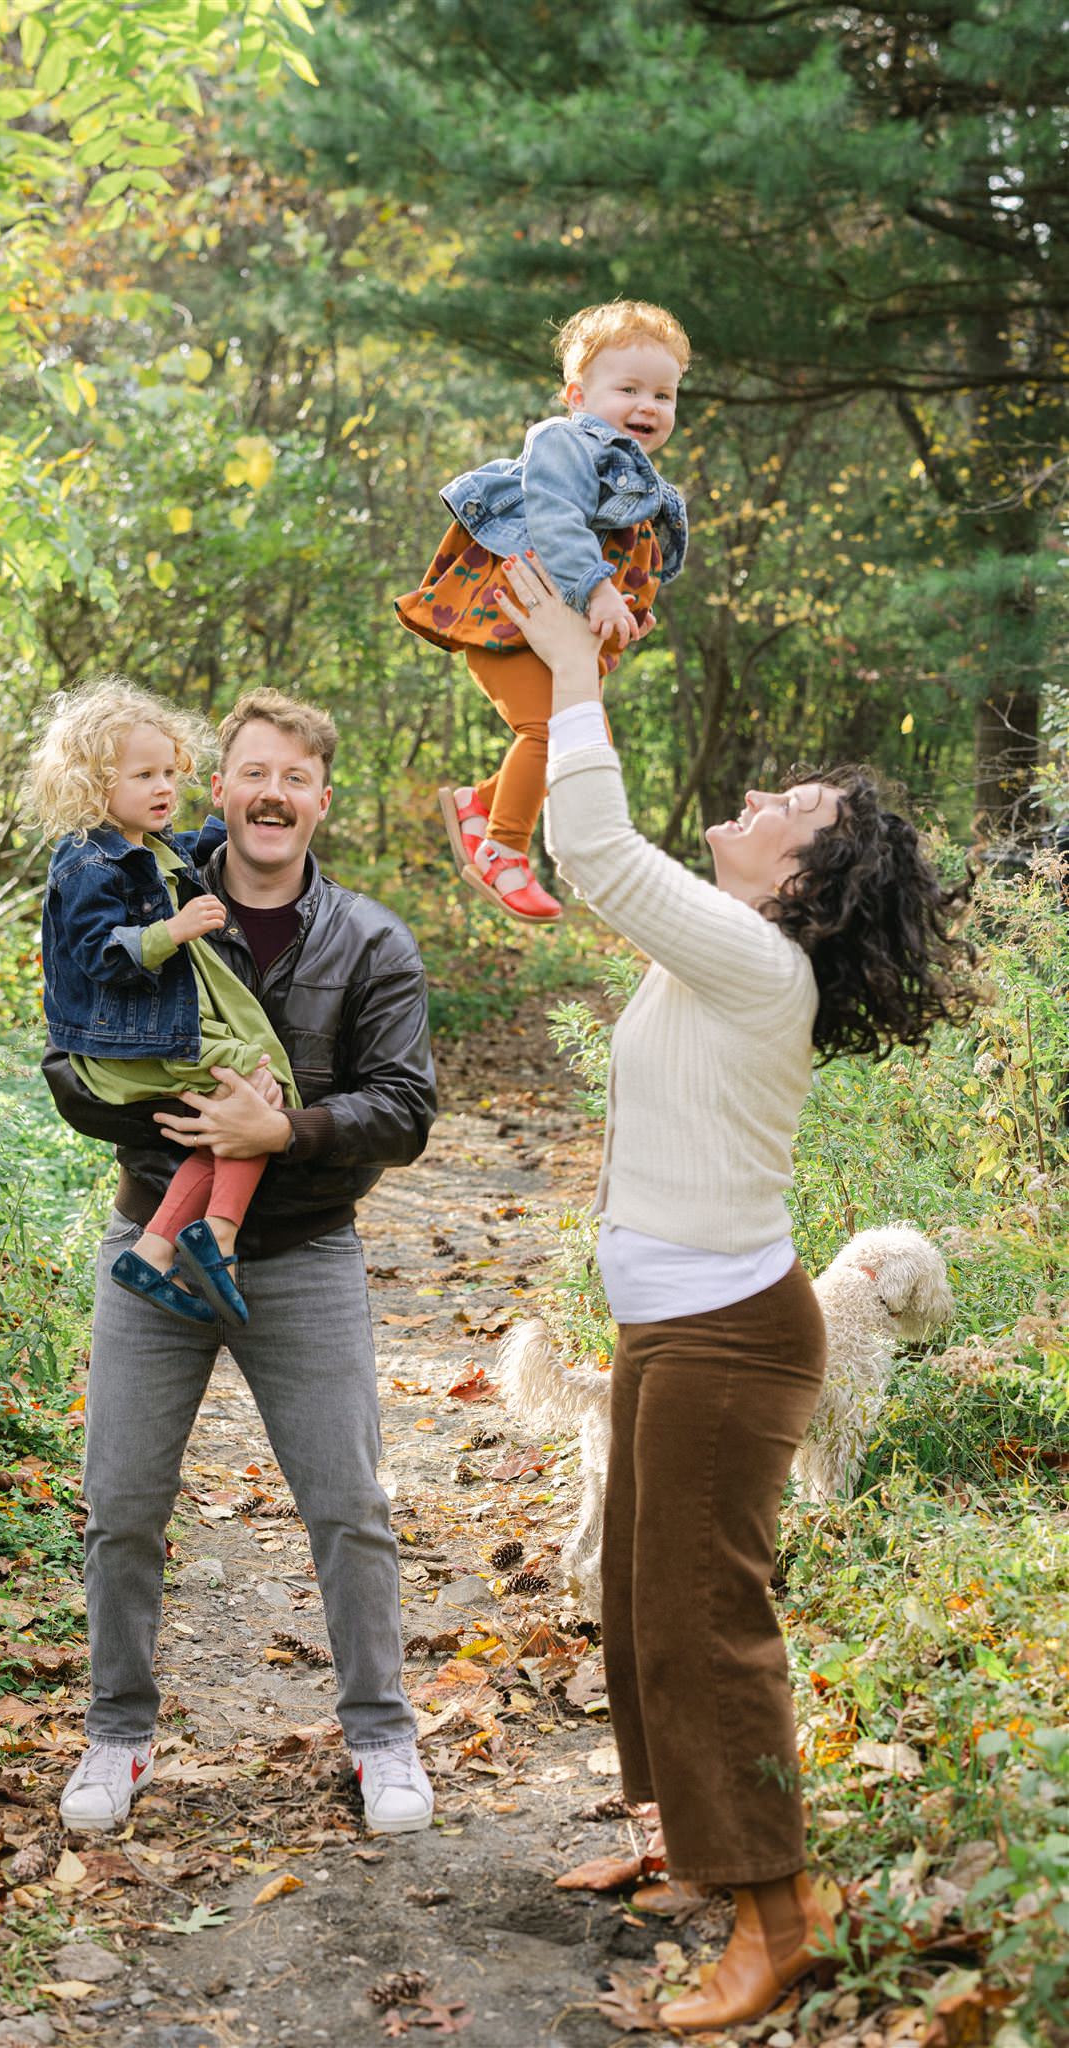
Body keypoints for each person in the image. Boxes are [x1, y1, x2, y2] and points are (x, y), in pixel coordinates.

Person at [499, 551, 975, 2029]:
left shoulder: (760, 968)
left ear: (802, 882)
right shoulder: (721, 957)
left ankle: (779, 1916)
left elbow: (593, 847)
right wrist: (574, 675)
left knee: (709, 1622)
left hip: (724, 1339)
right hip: (675, 1327)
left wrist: (575, 676)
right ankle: (684, 1852)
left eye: (791, 813)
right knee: (644, 1605)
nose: (762, 798)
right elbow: (577, 848)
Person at [40, 687, 439, 1839]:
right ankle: (117, 1730)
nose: (271, 794)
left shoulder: (370, 939)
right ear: (221, 785)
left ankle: (381, 1734)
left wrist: (284, 1132)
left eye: (294, 777)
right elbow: (68, 1054)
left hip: (304, 1254)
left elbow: (406, 1109)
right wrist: (174, 1111)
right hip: (149, 1240)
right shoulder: (129, 886)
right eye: (251, 772)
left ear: (320, 797)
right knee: (119, 1500)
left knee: (351, 1503)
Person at [395, 299, 690, 925]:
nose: (648, 406)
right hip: (509, 617)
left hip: (555, 630)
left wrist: (628, 612)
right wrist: (601, 590)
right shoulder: (565, 441)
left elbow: (625, 553)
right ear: (578, 395)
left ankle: (480, 805)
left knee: (585, 744)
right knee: (552, 733)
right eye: (629, 389)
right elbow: (556, 520)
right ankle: (504, 850)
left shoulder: (636, 477)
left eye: (663, 395)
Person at [29, 678, 300, 1327]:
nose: (162, 789)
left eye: (168, 773)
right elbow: (98, 953)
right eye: (142, 775)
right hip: (121, 1041)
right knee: (258, 1088)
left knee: (242, 1103)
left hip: (148, 1033)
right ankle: (221, 1240)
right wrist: (171, 931)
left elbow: (193, 850)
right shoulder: (86, 864)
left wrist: (241, 798)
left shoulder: (146, 846)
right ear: (95, 786)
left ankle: (152, 1252)